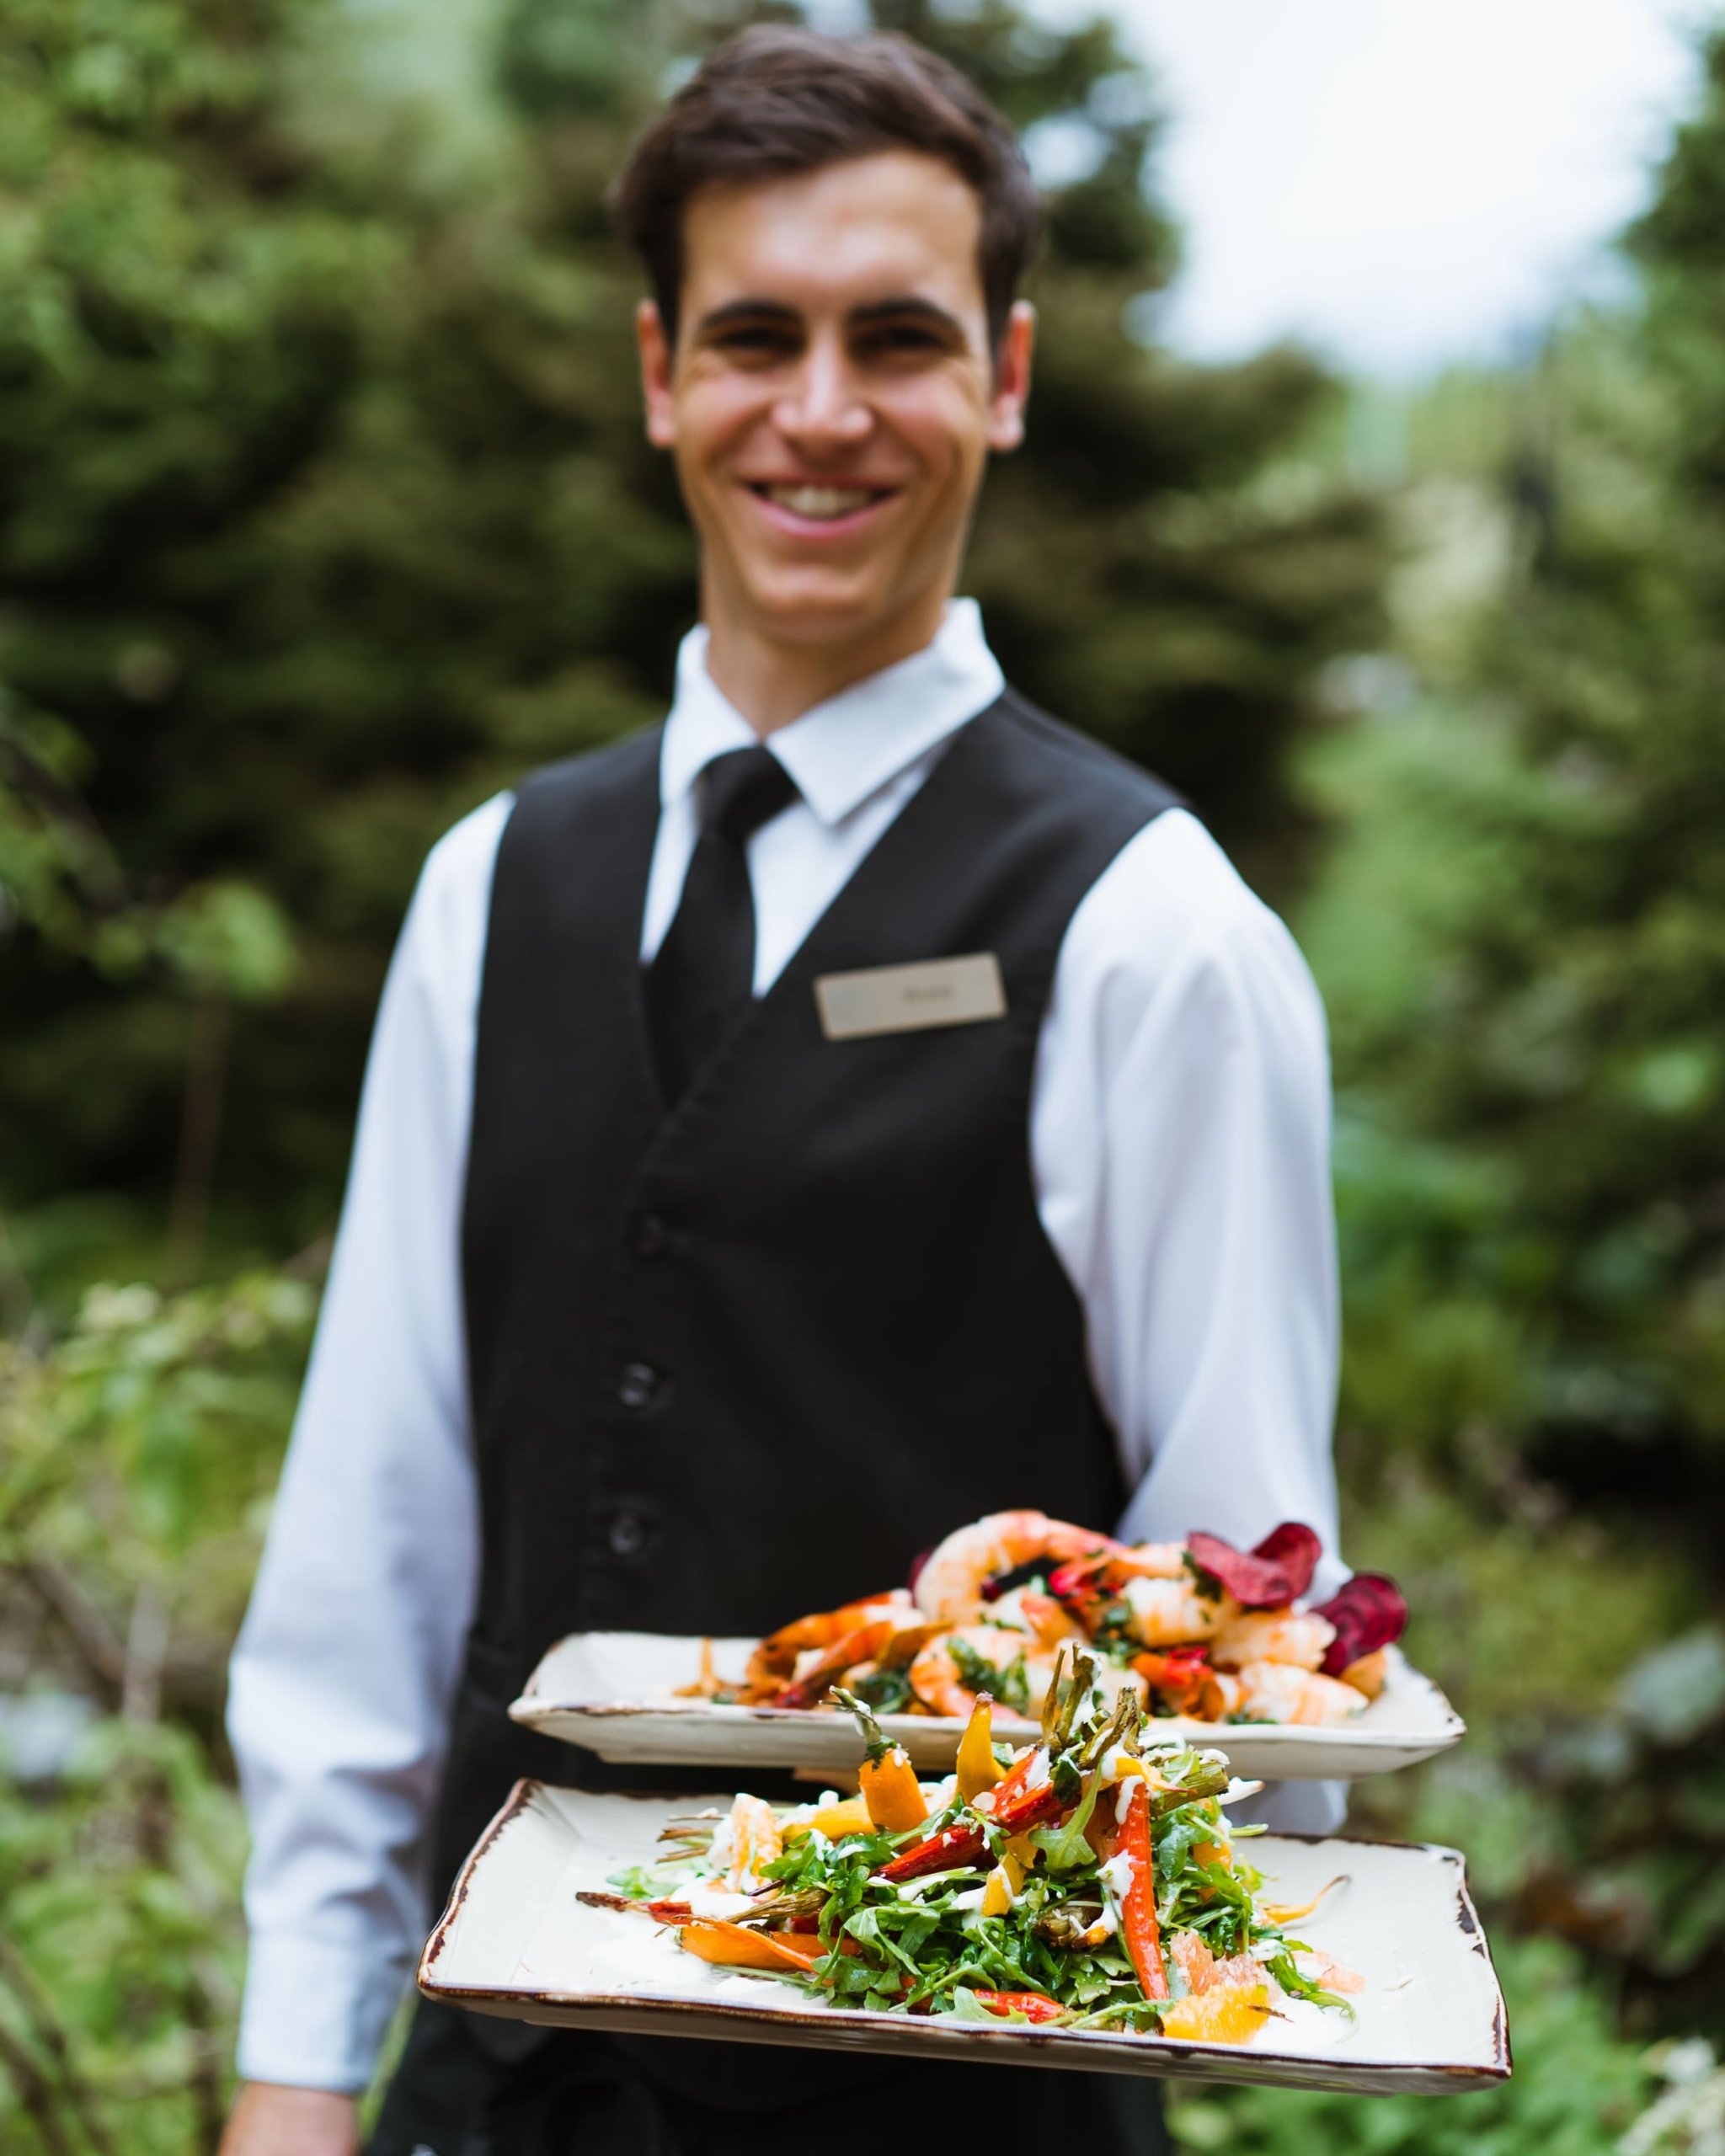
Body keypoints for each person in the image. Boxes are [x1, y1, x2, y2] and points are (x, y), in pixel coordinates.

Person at [217, 25, 1343, 2156]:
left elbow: (1250, 1635)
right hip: (500, 2086)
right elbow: (374, 1533)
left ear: (1004, 376)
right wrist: (296, 2061)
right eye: (755, 336)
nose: (818, 411)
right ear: (661, 373)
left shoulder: (1154, 929)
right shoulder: (492, 886)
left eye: (894, 339)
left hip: (953, 2092)